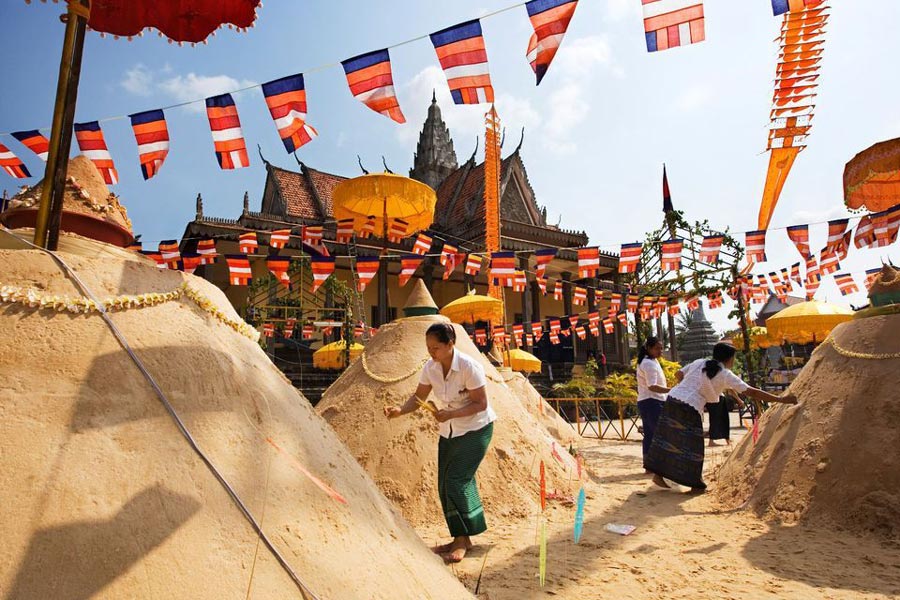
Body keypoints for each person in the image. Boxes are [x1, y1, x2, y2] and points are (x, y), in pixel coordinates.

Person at [383, 322, 496, 563]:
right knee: (443, 483)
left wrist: (452, 414)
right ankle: (460, 537)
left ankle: (463, 539)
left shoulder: (469, 367)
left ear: (450, 345)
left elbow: (481, 404)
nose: (431, 352)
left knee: (456, 480)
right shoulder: (430, 369)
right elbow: (418, 398)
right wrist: (399, 411)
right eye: (428, 347)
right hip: (449, 430)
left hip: (477, 428)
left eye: (435, 347)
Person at [646, 342, 797, 493]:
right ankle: (695, 485)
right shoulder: (725, 374)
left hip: (672, 399)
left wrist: (686, 387)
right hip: (689, 406)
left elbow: (678, 374)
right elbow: (752, 392)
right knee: (693, 446)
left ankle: (658, 475)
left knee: (667, 438)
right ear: (729, 359)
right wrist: (781, 400)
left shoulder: (700, 362)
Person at [635, 337, 670, 471]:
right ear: (648, 349)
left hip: (652, 400)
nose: (660, 351)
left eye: (661, 348)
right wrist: (671, 390)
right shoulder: (648, 364)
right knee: (656, 433)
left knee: (651, 433)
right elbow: (652, 386)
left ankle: (650, 464)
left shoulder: (651, 361)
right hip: (651, 401)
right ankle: (655, 464)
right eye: (657, 348)